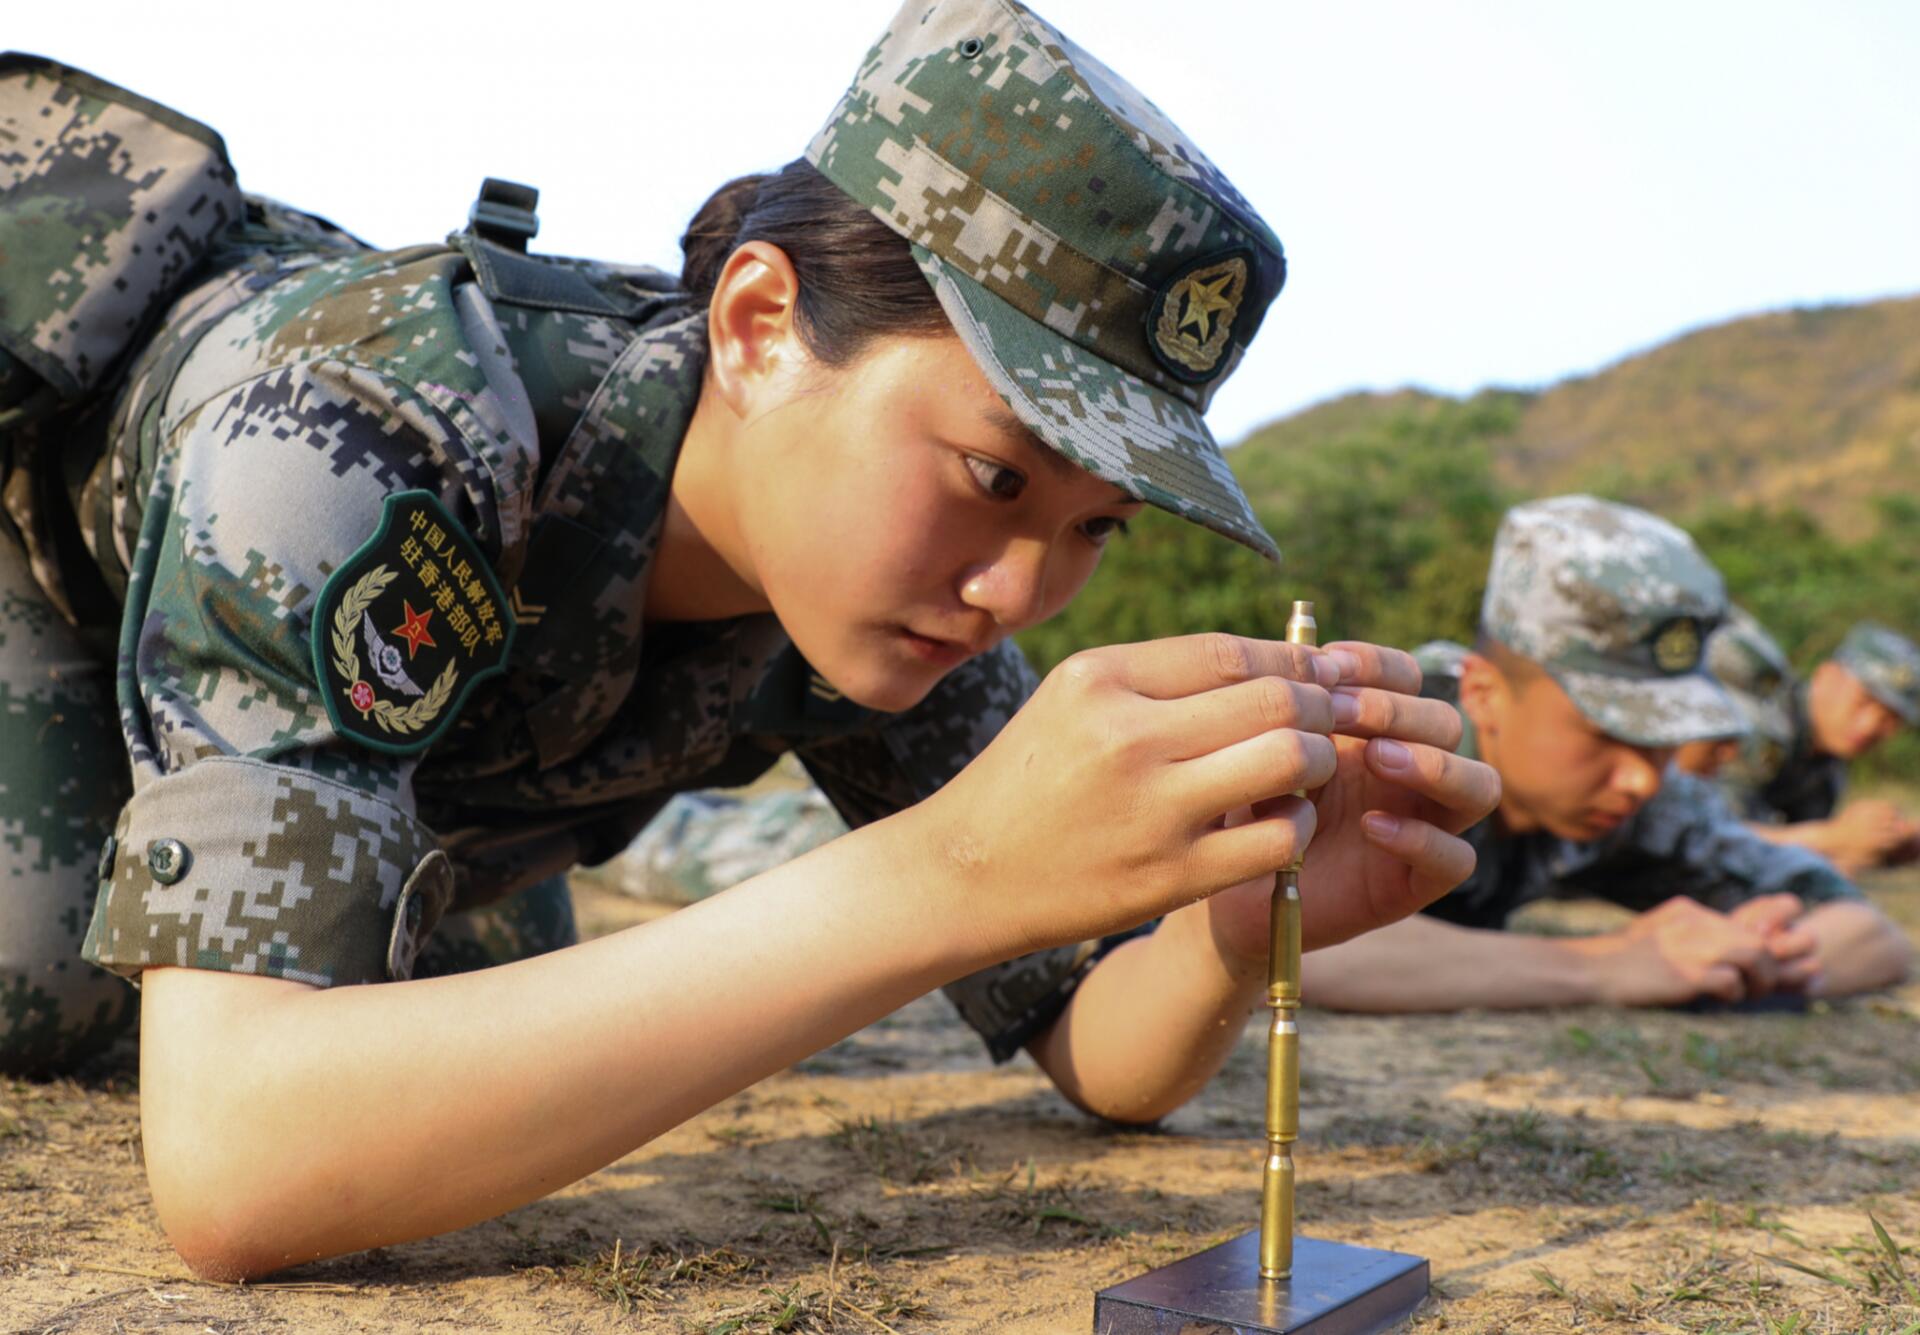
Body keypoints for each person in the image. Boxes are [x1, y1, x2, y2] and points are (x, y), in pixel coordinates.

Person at [0, 4, 1500, 1282]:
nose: (1020, 589)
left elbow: (1095, 1043)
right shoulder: (368, 425)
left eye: (1098, 526)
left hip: (401, 794)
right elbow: (242, 1162)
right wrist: (951, 865)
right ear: (763, 323)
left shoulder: (898, 608)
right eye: (995, 475)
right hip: (52, 594)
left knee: (455, 1021)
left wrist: (1229, 919)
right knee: (62, 986)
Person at [1301, 496, 1912, 1014]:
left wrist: (1758, 958)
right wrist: (1600, 965)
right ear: (1485, 694)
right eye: (1609, 732)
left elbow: (1872, 935)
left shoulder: (1644, 800)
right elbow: (1277, 939)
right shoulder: (1386, 746)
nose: (1643, 778)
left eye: (1664, 736)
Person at [1700, 614, 1920, 873]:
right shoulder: (1764, 726)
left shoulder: (1826, 770)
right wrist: (1831, 838)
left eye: (1891, 718)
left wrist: (1882, 852)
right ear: (1826, 677)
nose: (1870, 726)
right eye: (1864, 701)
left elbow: (1785, 871)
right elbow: (1709, 836)